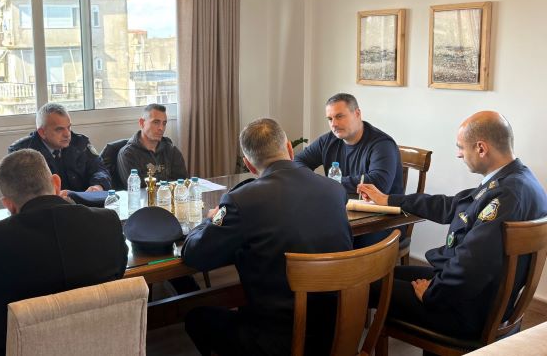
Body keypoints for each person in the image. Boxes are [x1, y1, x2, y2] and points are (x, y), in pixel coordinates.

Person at [358, 111, 547, 339]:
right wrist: (389, 199)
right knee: (382, 274)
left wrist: (433, 293)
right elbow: (451, 205)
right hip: (480, 297)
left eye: (461, 147)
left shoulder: (507, 196)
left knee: (362, 286)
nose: (458, 154)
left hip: (468, 311)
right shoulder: (517, 179)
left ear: (481, 148)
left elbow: (472, 265)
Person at [182, 118, 353, 355]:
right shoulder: (334, 189)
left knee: (197, 318)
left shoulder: (241, 200)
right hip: (338, 332)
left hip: (277, 341)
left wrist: (209, 220)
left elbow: (195, 255)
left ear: (249, 165)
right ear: (290, 149)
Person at [0, 149, 128, 356]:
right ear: (56, 183)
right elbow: (119, 272)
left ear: (8, 204)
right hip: (98, 346)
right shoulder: (107, 222)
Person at [295, 92, 404, 246]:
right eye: (330, 119)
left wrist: (328, 183)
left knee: (328, 241)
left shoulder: (382, 144)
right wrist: (319, 182)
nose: (334, 124)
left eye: (339, 116)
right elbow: (298, 161)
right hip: (343, 213)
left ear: (357, 113)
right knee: (304, 232)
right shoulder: (328, 140)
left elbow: (379, 183)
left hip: (381, 222)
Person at [8, 102, 112, 194]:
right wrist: (55, 197)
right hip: (45, 206)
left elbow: (100, 169)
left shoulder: (80, 143)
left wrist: (98, 186)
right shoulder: (22, 152)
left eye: (69, 127)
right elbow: (22, 191)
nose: (67, 134)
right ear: (42, 132)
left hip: (81, 203)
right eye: (59, 129)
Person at [117, 103, 188, 186]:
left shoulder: (171, 150)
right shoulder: (128, 154)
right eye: (156, 122)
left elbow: (182, 182)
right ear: (142, 123)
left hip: (170, 194)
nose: (161, 128)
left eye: (164, 123)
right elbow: (137, 188)